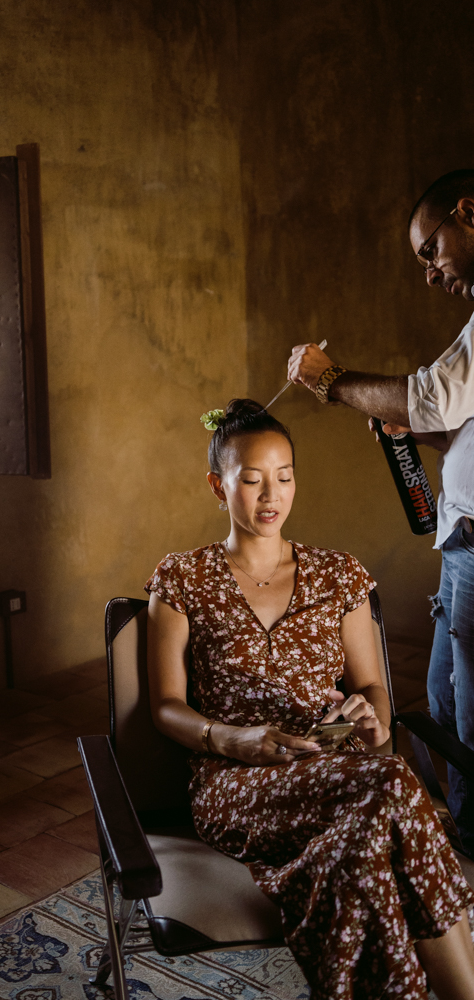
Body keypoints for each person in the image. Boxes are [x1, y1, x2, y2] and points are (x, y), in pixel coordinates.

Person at [145, 398, 474, 1000]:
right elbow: (164, 705)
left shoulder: (338, 574)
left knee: (361, 845)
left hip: (337, 768)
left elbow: (371, 689)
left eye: (284, 477)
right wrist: (233, 739)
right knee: (396, 785)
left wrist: (367, 715)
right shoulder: (182, 578)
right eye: (250, 480)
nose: (271, 495)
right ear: (218, 487)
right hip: (234, 780)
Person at [287, 169, 474, 862]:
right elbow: (452, 423)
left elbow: (429, 397)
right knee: (446, 707)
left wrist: (331, 382)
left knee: (470, 721)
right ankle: (454, 845)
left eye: (431, 250)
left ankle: (465, 878)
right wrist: (418, 435)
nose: (430, 273)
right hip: (462, 544)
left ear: (468, 211)